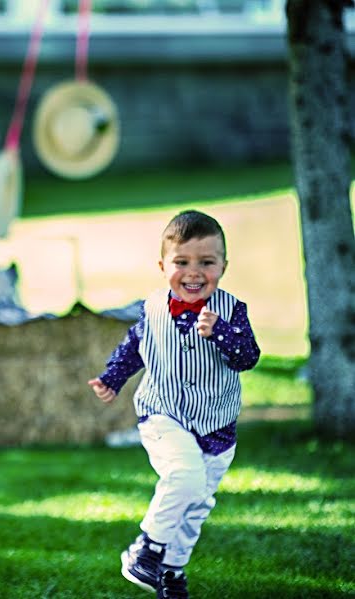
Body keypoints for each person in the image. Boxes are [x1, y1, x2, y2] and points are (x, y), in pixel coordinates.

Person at [88, 210, 260, 599]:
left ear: (224, 266)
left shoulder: (232, 311)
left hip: (216, 428)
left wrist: (221, 333)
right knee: (183, 476)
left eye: (206, 262)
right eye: (181, 262)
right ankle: (145, 550)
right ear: (163, 265)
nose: (193, 272)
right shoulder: (152, 307)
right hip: (163, 413)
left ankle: (171, 572)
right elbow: (135, 347)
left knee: (197, 503)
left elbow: (247, 357)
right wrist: (113, 377)